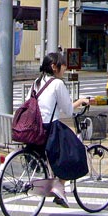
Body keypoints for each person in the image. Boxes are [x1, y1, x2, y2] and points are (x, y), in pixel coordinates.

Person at [30, 51, 89, 207]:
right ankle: (59, 185)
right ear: (54, 67)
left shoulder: (36, 82)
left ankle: (57, 185)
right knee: (75, 151)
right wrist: (80, 101)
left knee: (57, 155)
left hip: (35, 127)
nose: (65, 69)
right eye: (63, 66)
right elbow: (68, 110)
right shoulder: (57, 84)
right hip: (50, 128)